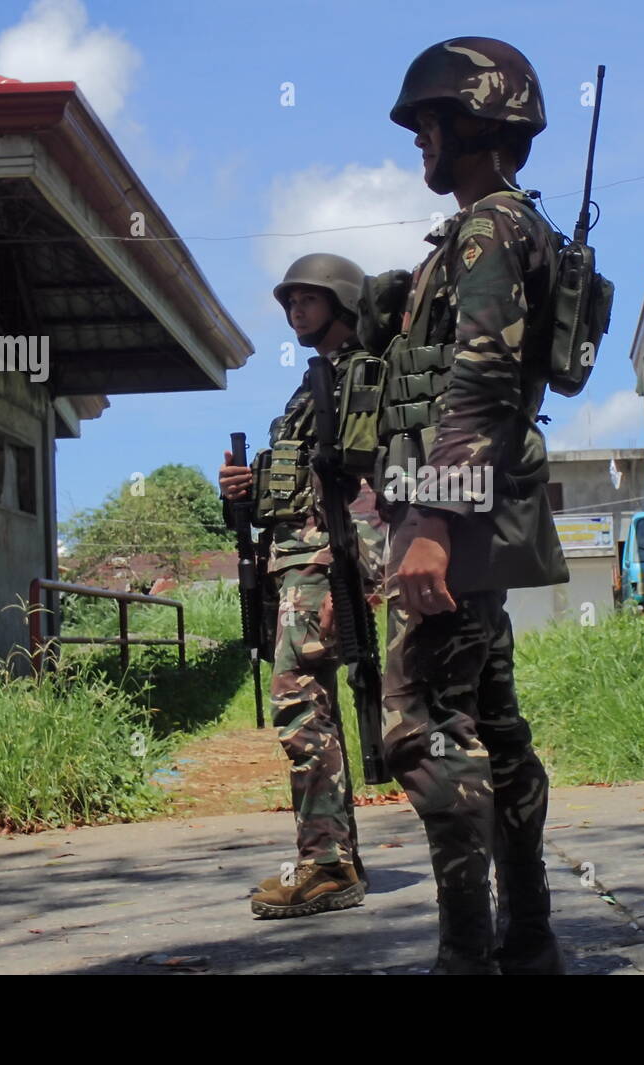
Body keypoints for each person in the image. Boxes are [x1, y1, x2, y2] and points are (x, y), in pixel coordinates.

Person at [377, 37, 568, 973]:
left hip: (456, 510)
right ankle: (525, 941)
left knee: (424, 727)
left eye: (431, 122)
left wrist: (429, 524)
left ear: (475, 123)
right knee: (493, 727)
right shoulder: (503, 225)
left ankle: (468, 957)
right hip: (480, 505)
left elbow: (484, 380)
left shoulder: (490, 227)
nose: (422, 140)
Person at [217, 253, 385, 919]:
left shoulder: (361, 376)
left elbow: (357, 472)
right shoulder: (311, 386)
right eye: (290, 301)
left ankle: (327, 864)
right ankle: (330, 854)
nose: (295, 310)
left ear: (343, 302)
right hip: (297, 560)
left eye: (309, 299)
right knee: (307, 706)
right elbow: (293, 481)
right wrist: (249, 486)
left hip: (325, 560)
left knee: (302, 707)